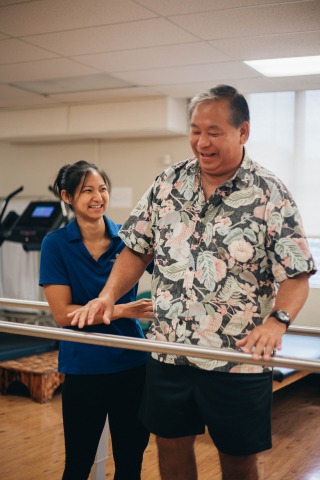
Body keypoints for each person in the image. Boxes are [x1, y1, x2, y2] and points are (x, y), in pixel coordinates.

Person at [68, 86, 316, 480]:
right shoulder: (168, 182)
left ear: (243, 132)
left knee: (237, 460)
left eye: (214, 131)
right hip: (169, 352)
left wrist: (277, 321)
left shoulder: (270, 193)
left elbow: (297, 274)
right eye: (195, 130)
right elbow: (136, 250)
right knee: (170, 446)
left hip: (237, 359)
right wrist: (107, 296)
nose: (202, 142)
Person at [39, 160, 154, 480]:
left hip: (132, 364)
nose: (97, 197)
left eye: (102, 189)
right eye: (87, 190)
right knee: (77, 462)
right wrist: (121, 309)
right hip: (83, 366)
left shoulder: (129, 239)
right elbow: (63, 314)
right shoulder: (56, 244)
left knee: (131, 462)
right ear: (67, 197)